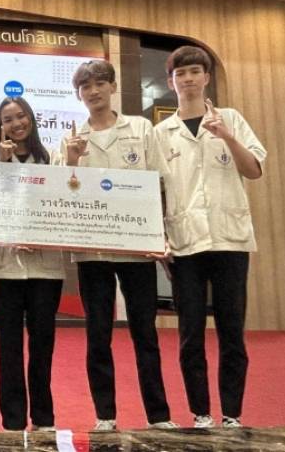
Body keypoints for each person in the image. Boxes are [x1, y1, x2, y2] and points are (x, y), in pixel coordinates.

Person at [62, 59, 177, 431]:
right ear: (78, 94)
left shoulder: (140, 128)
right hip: (92, 250)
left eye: (100, 83)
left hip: (137, 248)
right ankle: (105, 416)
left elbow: (161, 182)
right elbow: (63, 195)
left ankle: (159, 416)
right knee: (98, 335)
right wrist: (71, 161)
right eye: (85, 86)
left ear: (112, 87)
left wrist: (161, 235)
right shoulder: (72, 137)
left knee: (145, 333)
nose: (93, 91)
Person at [155, 46, 266, 429]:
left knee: (232, 329)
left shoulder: (230, 119)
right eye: (180, 74)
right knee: (190, 333)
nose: (187, 79)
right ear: (171, 82)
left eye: (194, 72)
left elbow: (253, 170)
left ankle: (232, 413)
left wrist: (228, 138)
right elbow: (154, 191)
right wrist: (158, 237)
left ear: (206, 77)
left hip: (229, 240)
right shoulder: (161, 133)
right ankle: (201, 412)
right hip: (184, 244)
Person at [0, 97, 64, 432]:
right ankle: (13, 421)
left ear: (31, 118)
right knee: (9, 346)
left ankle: (44, 418)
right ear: (0, 126)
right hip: (5, 268)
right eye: (8, 119)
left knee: (43, 344)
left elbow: (63, 203)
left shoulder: (52, 158)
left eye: (21, 116)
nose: (16, 124)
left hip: (45, 267)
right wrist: (3, 166)